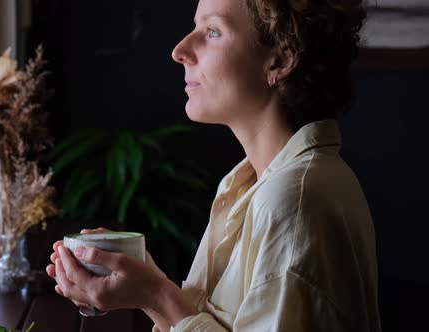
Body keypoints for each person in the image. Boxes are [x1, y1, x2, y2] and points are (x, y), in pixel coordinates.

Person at [46, 0, 381, 330]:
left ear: (280, 59)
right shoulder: (246, 183)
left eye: (213, 31)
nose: (179, 50)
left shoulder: (294, 201)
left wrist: (155, 295)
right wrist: (143, 284)